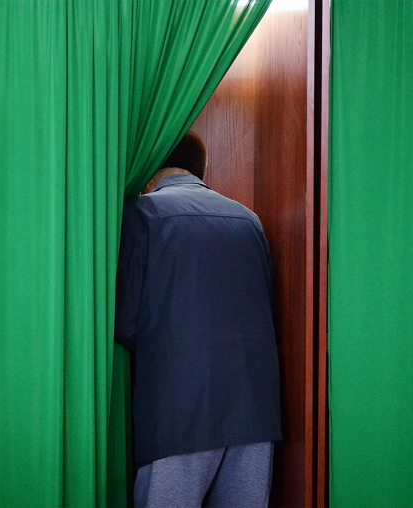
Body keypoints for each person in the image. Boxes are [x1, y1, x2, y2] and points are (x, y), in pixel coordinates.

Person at [115, 131, 282, 508]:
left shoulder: (142, 214)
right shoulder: (250, 220)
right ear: (200, 170)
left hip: (180, 412)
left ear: (149, 169)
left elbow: (125, 323)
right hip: (255, 411)